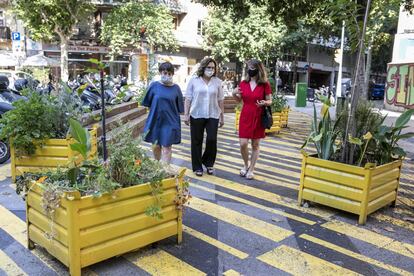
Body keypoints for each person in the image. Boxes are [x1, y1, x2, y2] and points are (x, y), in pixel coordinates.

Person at [232, 59, 272, 180]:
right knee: (243, 144)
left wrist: (265, 102)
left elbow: (270, 101)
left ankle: (251, 169)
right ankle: (245, 164)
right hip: (246, 115)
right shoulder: (244, 83)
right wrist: (234, 94)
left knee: (255, 144)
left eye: (252, 67)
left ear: (258, 69)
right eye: (248, 67)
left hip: (258, 116)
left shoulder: (265, 84)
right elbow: (239, 100)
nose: (250, 70)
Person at [184, 57, 224, 176]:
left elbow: (221, 100)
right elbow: (188, 98)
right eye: (208, 67)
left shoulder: (218, 82)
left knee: (212, 139)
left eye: (213, 68)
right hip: (197, 113)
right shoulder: (194, 80)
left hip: (213, 114)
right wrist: (186, 115)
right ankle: (197, 167)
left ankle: (208, 163)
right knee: (196, 141)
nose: (211, 70)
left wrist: (222, 117)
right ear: (203, 67)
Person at [142, 62, 184, 164]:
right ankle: (157, 165)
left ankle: (165, 170)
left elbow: (180, 108)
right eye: (165, 73)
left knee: (167, 147)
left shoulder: (176, 88)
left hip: (170, 122)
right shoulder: (154, 86)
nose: (167, 76)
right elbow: (147, 103)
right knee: (156, 145)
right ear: (160, 73)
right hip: (156, 121)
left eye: (170, 74)